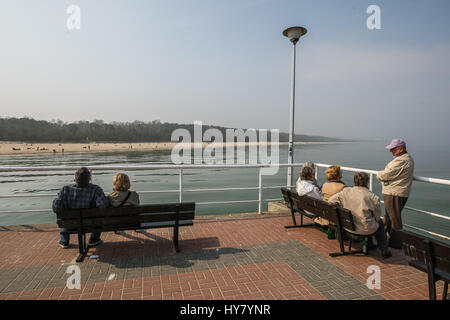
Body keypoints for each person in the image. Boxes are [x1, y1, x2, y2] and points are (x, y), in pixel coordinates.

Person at [329, 172, 392, 258]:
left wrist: (342, 207)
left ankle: (370, 244)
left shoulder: (345, 192)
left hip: (348, 227)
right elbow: (377, 217)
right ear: (366, 182)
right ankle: (384, 249)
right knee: (379, 223)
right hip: (366, 229)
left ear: (354, 181)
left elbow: (331, 201)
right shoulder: (373, 197)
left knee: (368, 220)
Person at [52, 167, 110, 248]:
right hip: (90, 224)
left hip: (70, 224)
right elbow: (103, 205)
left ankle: (64, 241)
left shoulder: (65, 190)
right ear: (89, 179)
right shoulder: (95, 189)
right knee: (98, 219)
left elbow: (56, 208)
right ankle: (94, 239)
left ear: (75, 179)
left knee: (64, 219)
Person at [376, 139, 414, 249]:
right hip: (395, 192)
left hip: (395, 193)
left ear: (401, 149)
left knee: (394, 219)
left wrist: (379, 174)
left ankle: (396, 243)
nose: (391, 151)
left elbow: (385, 175)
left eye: (393, 149)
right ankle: (385, 238)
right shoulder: (405, 159)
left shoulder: (401, 161)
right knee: (388, 217)